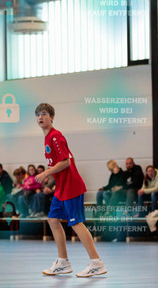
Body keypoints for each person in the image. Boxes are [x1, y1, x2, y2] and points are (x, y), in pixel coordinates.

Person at [34, 103, 107, 277]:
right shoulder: (47, 138)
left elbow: (66, 162)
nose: (40, 117)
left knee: (75, 222)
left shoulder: (56, 136)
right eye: (37, 115)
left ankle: (96, 263)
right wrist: (52, 180)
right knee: (53, 220)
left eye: (44, 114)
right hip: (61, 188)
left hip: (71, 186)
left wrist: (46, 173)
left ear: (52, 117)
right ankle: (63, 262)